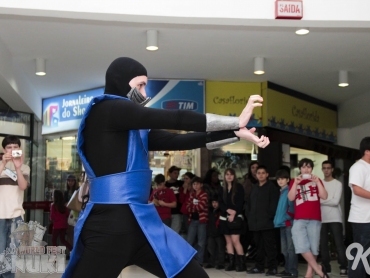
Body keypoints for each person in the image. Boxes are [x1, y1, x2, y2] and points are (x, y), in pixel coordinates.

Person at [62, 57, 270, 278]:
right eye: (139, 85)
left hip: (141, 225)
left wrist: (234, 134)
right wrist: (235, 121)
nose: (144, 93)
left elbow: (179, 141)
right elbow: (176, 118)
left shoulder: (133, 129)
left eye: (145, 85)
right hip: (108, 229)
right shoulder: (107, 109)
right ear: (121, 81)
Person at [288, 158, 329, 278]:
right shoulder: (293, 181)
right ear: (300, 168)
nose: (306, 169)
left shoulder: (317, 180)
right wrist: (295, 183)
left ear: (312, 169)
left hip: (315, 218)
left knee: (313, 247)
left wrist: (317, 182)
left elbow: (324, 196)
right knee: (300, 244)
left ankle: (309, 273)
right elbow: (290, 198)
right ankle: (319, 269)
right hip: (299, 218)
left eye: (309, 167)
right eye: (304, 167)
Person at [0, 135, 30, 278]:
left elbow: (23, 186)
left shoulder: (25, 167)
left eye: (15, 147)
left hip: (16, 216)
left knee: (11, 256)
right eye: (9, 147)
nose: (12, 150)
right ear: (3, 149)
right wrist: (2, 165)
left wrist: (18, 168)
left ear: (20, 149)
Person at [247, 165, 279, 276]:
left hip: (267, 223)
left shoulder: (272, 187)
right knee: (258, 247)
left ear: (267, 175)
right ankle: (259, 267)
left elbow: (274, 205)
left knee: (270, 247)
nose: (260, 175)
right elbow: (249, 204)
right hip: (255, 224)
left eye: (262, 173)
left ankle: (272, 268)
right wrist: (249, 216)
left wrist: (269, 217)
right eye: (258, 173)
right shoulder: (254, 187)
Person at [319, 160, 348, 276]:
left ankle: (343, 266)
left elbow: (336, 202)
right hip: (321, 218)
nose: (326, 170)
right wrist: (327, 200)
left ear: (332, 170)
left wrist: (321, 201)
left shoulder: (338, 184)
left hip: (335, 217)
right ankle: (326, 267)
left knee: (339, 244)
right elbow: (317, 200)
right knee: (323, 244)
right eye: (324, 168)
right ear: (322, 169)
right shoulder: (319, 183)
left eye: (328, 168)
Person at [348, 137, 370, 278]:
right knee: (361, 254)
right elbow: (357, 190)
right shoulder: (358, 167)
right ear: (367, 151)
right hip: (362, 219)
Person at [218, 168, 246, 272]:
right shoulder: (222, 188)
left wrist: (234, 212)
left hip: (236, 217)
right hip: (224, 217)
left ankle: (242, 264)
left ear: (234, 176)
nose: (229, 176)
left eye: (231, 174)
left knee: (235, 240)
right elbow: (220, 202)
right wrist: (227, 210)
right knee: (228, 241)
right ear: (224, 176)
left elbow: (241, 202)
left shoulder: (239, 187)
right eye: (227, 174)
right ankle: (231, 263)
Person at [273, 169, 298, 278]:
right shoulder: (282, 191)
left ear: (287, 179)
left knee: (290, 249)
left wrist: (287, 217)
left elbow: (291, 207)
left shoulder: (288, 191)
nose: (280, 181)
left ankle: (292, 271)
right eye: (278, 179)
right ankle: (287, 270)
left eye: (282, 179)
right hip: (282, 224)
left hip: (288, 223)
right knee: (285, 249)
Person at [186, 176, 208, 266]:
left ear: (201, 185)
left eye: (197, 184)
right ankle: (189, 261)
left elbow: (201, 207)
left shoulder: (204, 195)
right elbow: (187, 207)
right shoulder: (192, 195)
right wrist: (194, 207)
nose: (195, 186)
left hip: (201, 221)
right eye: (194, 184)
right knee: (189, 241)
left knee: (201, 242)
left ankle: (199, 261)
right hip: (192, 220)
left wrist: (193, 207)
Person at [204, 194, 225, 270]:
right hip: (211, 232)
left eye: (216, 202)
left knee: (220, 249)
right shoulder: (210, 211)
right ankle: (211, 262)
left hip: (219, 233)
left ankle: (221, 263)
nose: (214, 204)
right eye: (213, 202)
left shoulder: (222, 211)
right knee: (211, 248)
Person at [165, 165, 184, 233]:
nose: (177, 175)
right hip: (167, 211)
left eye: (178, 173)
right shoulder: (165, 185)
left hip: (177, 211)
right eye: (175, 173)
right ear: (170, 174)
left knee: (175, 232)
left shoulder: (181, 183)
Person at [64, 174, 79, 247]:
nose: (70, 182)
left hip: (76, 212)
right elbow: (64, 202)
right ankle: (71, 249)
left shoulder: (78, 190)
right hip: (68, 213)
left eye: (72, 181)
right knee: (69, 231)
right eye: (69, 181)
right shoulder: (66, 192)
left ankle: (74, 248)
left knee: (75, 231)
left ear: (75, 182)